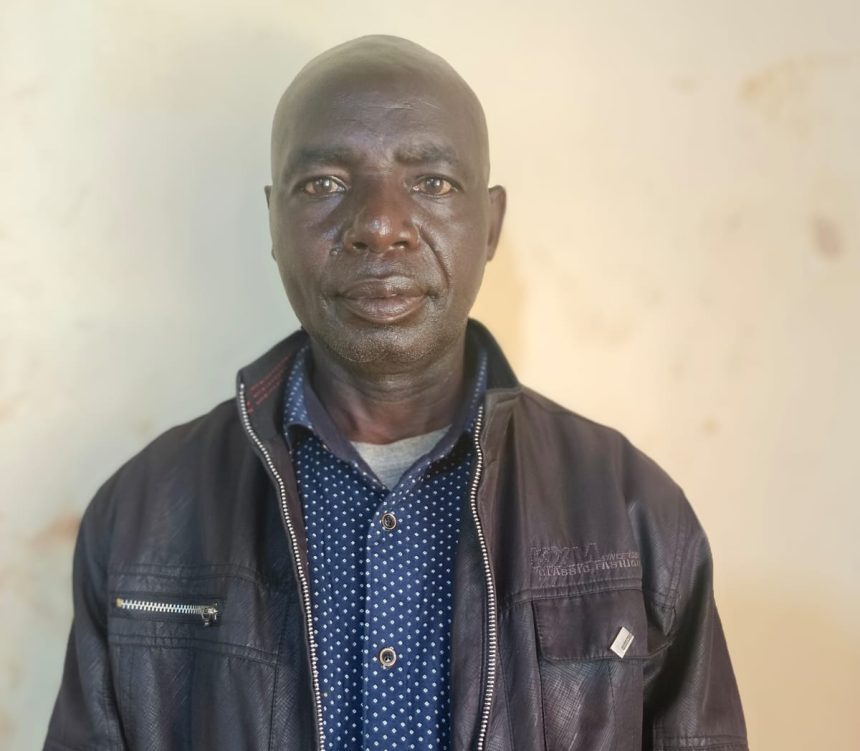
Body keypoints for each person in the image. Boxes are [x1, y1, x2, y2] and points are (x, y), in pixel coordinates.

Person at [45, 35, 748, 751]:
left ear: (491, 225)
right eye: (324, 183)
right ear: (273, 223)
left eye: (432, 183)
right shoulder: (142, 517)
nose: (380, 225)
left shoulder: (635, 516)